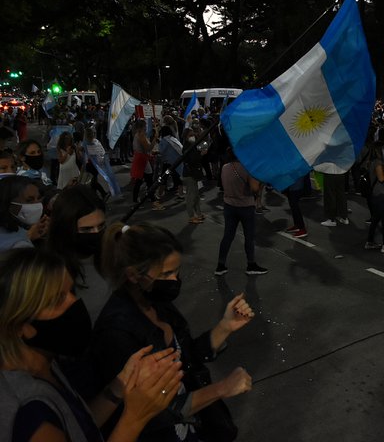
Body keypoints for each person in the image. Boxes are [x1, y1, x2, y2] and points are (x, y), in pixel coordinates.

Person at [91, 223, 254, 441]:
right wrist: (221, 389)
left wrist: (225, 327)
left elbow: (185, 357)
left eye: (176, 271)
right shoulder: (116, 331)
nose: (174, 281)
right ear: (132, 275)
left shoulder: (155, 301)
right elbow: (151, 410)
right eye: (166, 273)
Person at [0, 248, 182, 442]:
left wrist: (119, 386)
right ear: (19, 325)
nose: (75, 302)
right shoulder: (30, 415)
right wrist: (135, 418)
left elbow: (78, 428)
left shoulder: (44, 361)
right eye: (57, 300)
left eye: (71, 291)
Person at [46, 185, 110, 319]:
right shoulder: (50, 273)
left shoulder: (113, 253)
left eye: (101, 226)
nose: (96, 234)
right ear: (64, 229)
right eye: (86, 230)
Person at [215, 148, 268, 276]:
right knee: (249, 237)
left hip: (229, 206)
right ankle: (251, 265)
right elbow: (255, 189)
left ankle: (220, 266)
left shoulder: (225, 167)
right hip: (245, 207)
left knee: (228, 236)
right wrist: (261, 181)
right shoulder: (247, 168)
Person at [0, 175, 48, 252]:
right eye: (29, 201)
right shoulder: (21, 245)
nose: (37, 205)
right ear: (8, 204)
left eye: (38, 198)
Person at [365, 141, 384, 253]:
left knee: (376, 219)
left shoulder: (373, 162)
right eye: (382, 149)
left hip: (377, 194)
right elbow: (381, 178)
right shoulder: (377, 162)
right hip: (379, 194)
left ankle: (370, 242)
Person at [130, 120, 161, 210]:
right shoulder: (141, 135)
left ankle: (140, 198)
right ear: (142, 126)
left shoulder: (138, 134)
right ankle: (151, 197)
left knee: (142, 179)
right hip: (142, 159)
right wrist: (155, 138)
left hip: (141, 158)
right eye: (145, 125)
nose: (146, 126)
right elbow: (148, 148)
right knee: (147, 178)